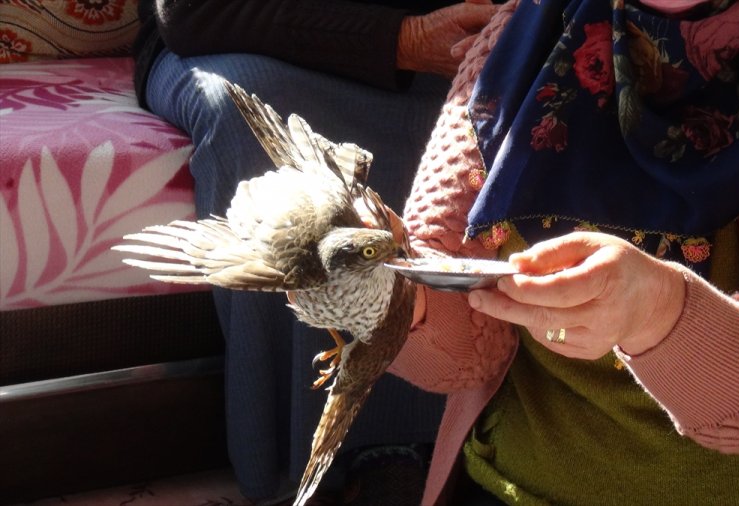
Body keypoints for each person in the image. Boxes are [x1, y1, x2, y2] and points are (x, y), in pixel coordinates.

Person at [386, 0, 739, 504]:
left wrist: (658, 310)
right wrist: (387, 292)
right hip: (510, 485)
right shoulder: (520, 35)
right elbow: (460, 352)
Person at [130, 1, 498, 504]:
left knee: (486, 112)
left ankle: (439, 439)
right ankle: (306, 470)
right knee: (253, 119)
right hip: (240, 41)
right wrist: (400, 40)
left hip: (438, 55)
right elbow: (189, 13)